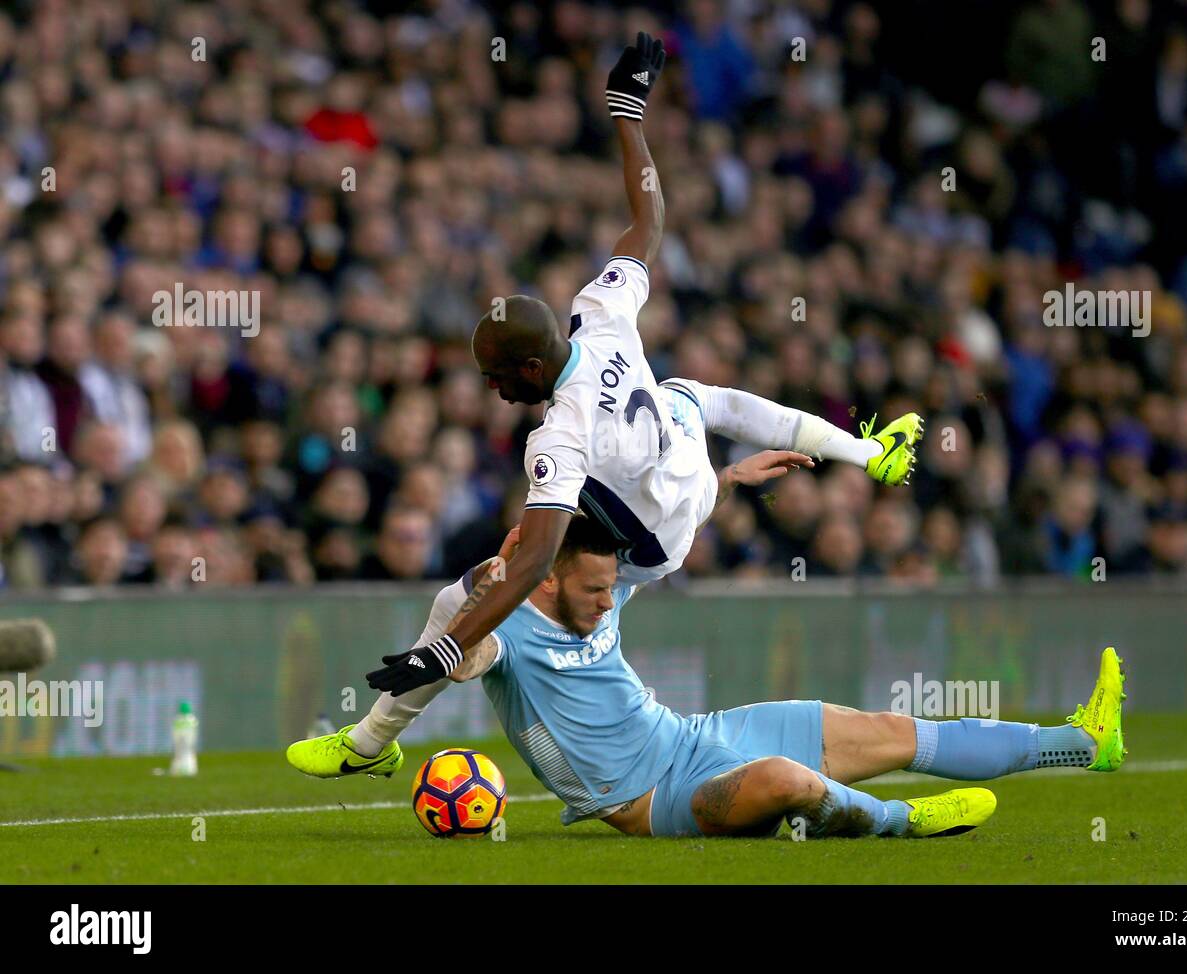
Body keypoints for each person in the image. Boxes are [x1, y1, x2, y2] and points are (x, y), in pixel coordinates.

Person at [366, 32, 924, 693]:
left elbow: (534, 560)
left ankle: (389, 727)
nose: (489, 387)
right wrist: (628, 116)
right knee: (691, 394)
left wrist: (449, 650)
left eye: (496, 375)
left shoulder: (560, 434)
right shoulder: (596, 313)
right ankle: (868, 453)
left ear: (529, 370)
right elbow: (649, 222)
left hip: (653, 544)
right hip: (685, 469)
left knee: (494, 582)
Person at [288, 453, 1128, 839]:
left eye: (614, 587)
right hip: (647, 802)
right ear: (540, 574)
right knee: (787, 784)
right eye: (592, 592)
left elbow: (669, 533)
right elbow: (458, 657)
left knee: (891, 729)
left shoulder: (601, 573)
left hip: (694, 735)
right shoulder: (495, 620)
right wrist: (379, 728)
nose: (607, 601)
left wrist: (723, 483)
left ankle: (1084, 744)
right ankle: (903, 825)